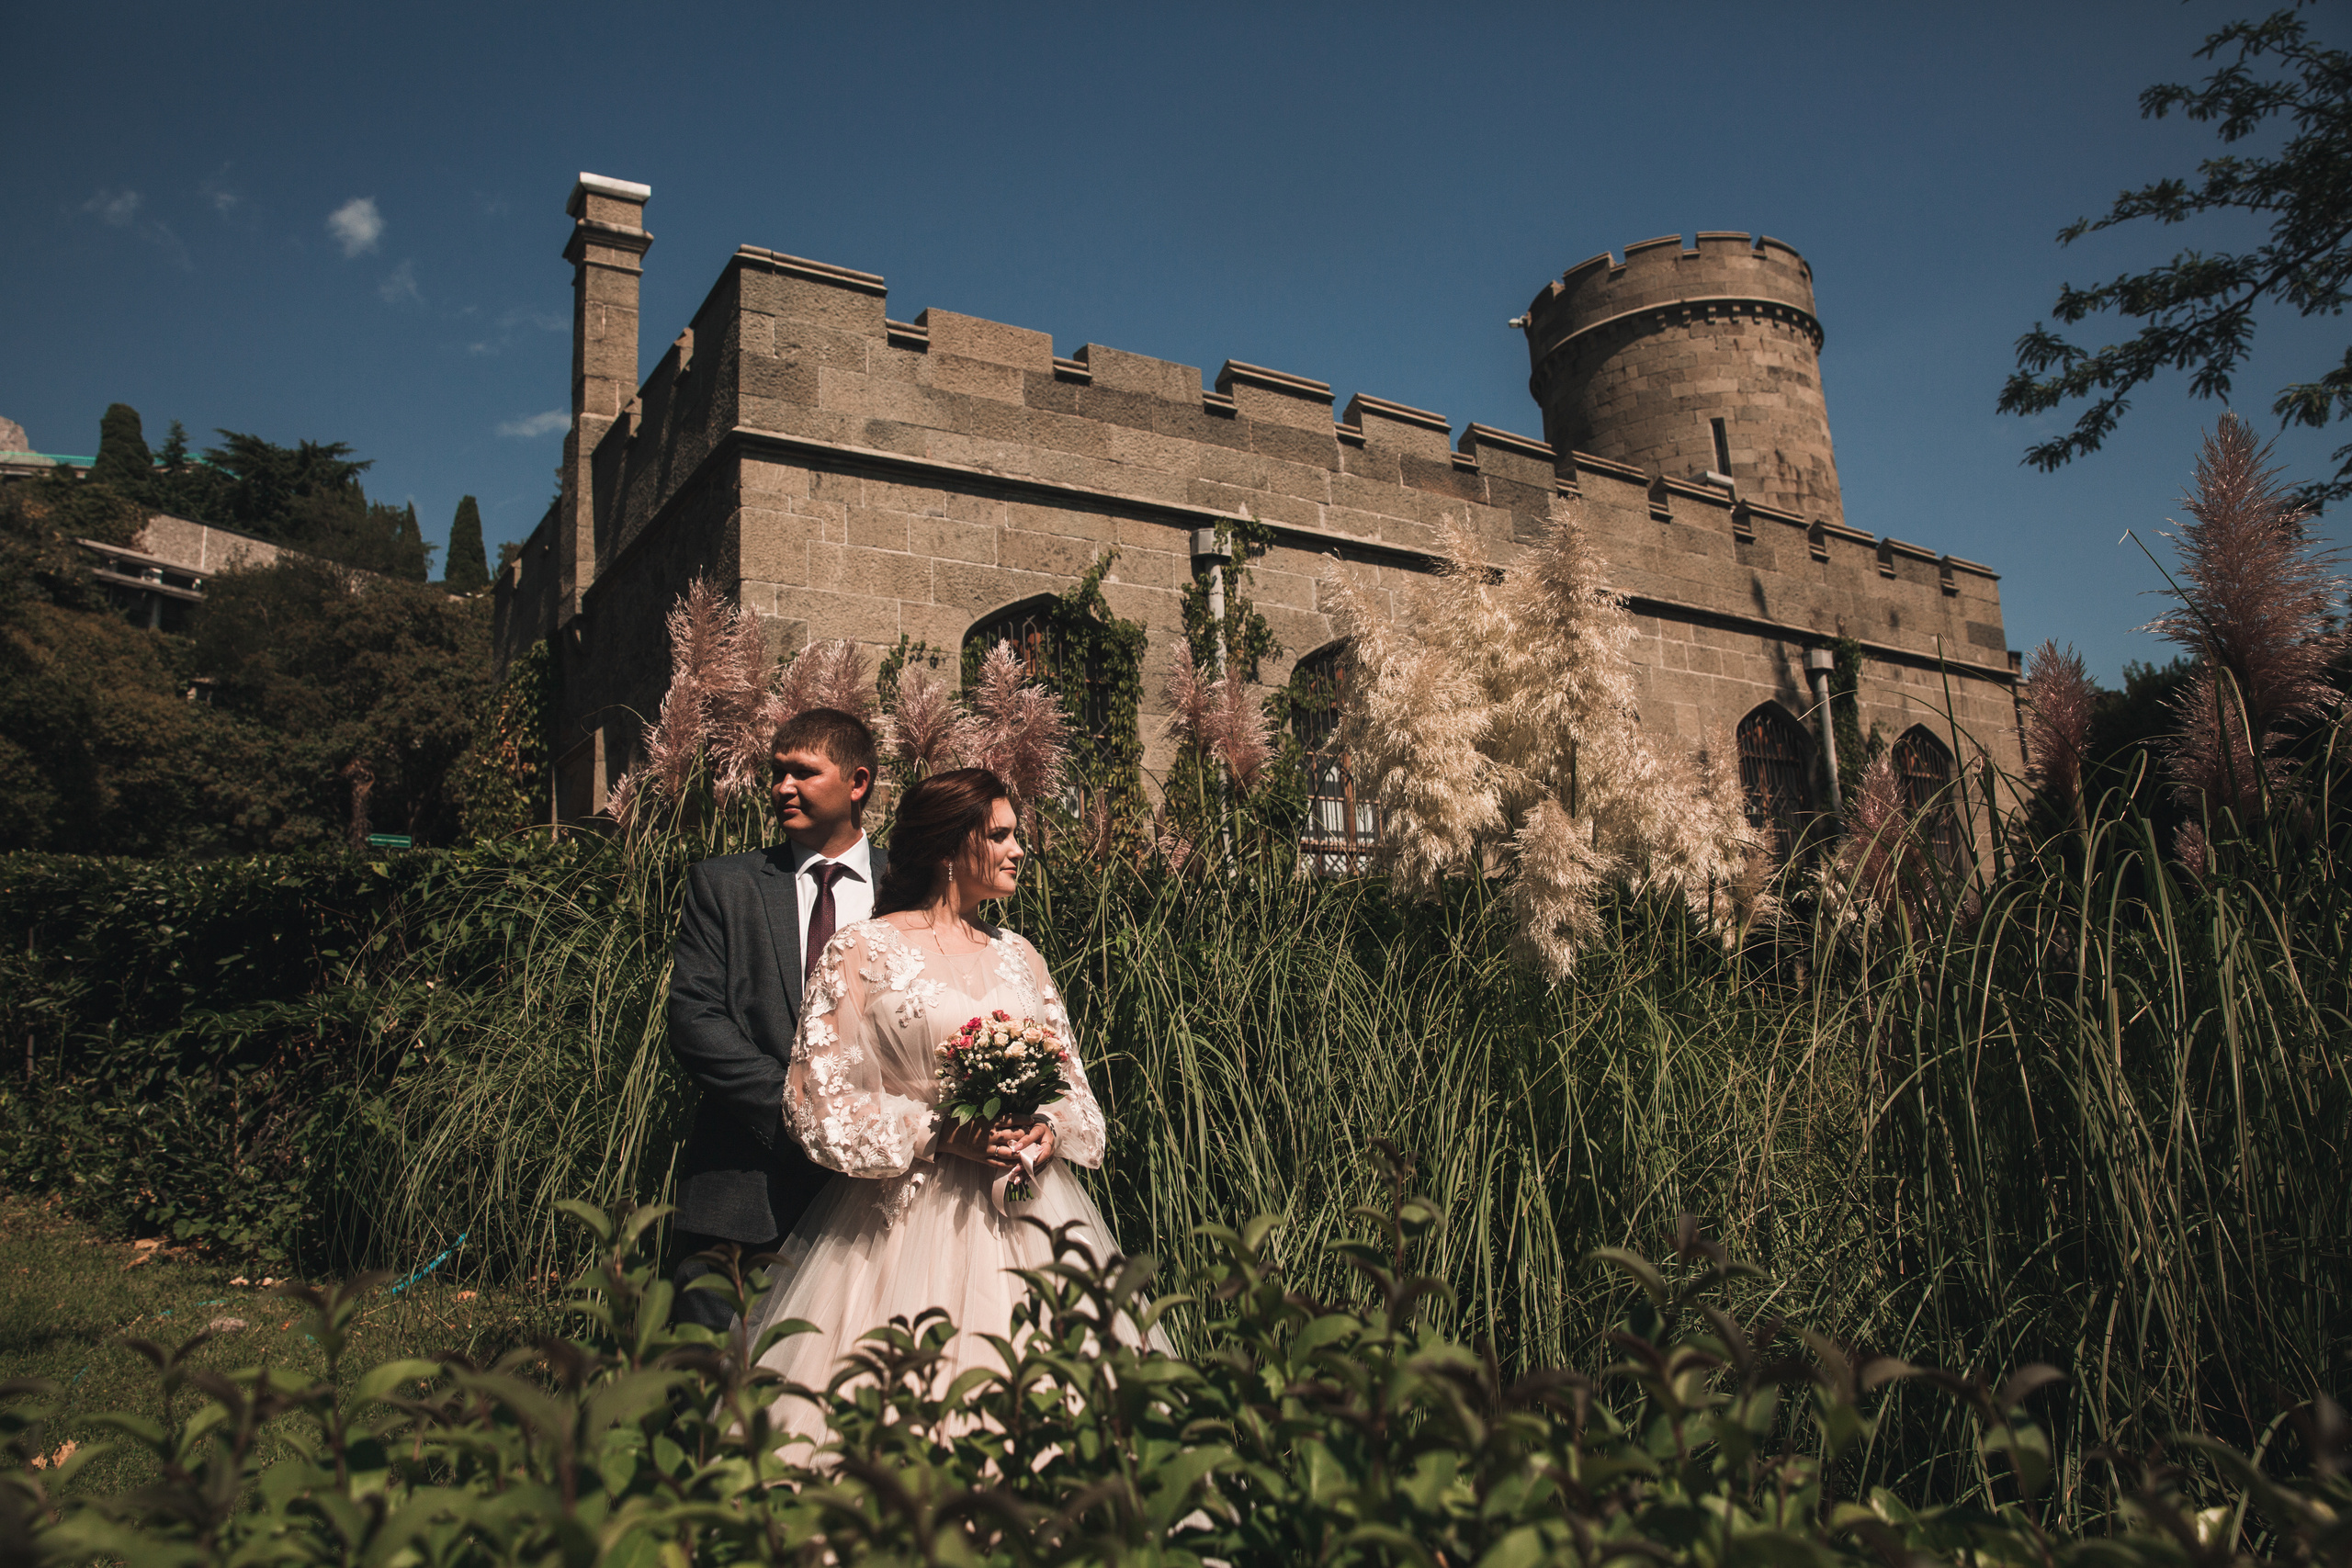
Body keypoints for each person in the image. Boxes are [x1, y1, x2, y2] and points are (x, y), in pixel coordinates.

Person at [743, 766, 1137, 1449]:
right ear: (951, 846)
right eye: (1002, 835)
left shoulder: (1021, 956)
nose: (1019, 849)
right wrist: (938, 1132)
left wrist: (1048, 1130)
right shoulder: (862, 949)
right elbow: (813, 1100)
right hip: (900, 1222)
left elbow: (1074, 1087)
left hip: (1029, 1209)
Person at [665, 707, 888, 1335]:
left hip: (881, 1196)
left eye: (803, 772)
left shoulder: (915, 886)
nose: (782, 787)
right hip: (743, 1192)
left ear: (858, 782)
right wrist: (799, 1113)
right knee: (714, 1380)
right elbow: (695, 1019)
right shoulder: (723, 884)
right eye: (776, 772)